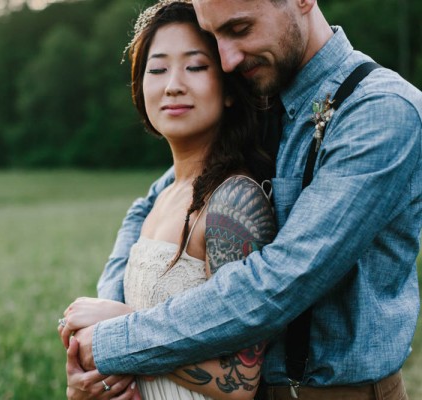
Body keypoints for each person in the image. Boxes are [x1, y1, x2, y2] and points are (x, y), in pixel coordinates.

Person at [66, 0, 422, 399]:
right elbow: (157, 198)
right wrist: (99, 330)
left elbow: (279, 282)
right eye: (214, 36)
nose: (228, 60)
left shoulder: (381, 111)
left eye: (238, 30)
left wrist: (116, 341)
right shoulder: (264, 95)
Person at [58, 1, 277, 398]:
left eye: (195, 67)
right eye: (157, 69)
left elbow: (243, 381)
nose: (173, 84)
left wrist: (119, 327)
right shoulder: (160, 199)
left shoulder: (232, 201)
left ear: (229, 89)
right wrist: (92, 386)